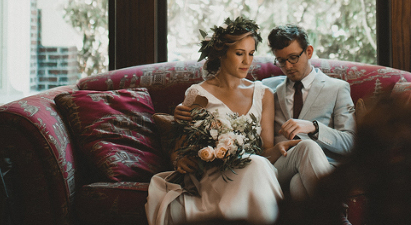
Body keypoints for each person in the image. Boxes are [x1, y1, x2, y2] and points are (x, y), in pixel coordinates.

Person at [145, 17, 290, 225]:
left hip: (254, 172)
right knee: (257, 165)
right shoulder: (198, 94)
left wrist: (280, 148)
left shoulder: (263, 94)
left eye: (251, 54)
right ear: (221, 54)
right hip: (214, 175)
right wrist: (179, 160)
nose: (247, 61)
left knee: (257, 164)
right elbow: (179, 148)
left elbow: (265, 151)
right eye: (239, 54)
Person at [264, 24, 356, 202]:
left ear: (309, 51)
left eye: (293, 58)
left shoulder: (337, 89)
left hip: (322, 168)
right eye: (281, 61)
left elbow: (351, 143)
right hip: (281, 165)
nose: (288, 66)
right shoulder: (268, 89)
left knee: (298, 185)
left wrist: (314, 128)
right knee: (307, 147)